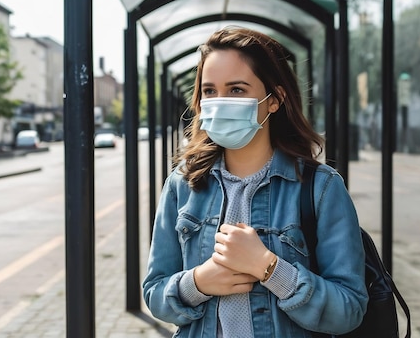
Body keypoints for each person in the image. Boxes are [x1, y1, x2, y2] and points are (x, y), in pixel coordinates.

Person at [142, 26, 368, 337]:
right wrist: (198, 283)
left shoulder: (321, 188)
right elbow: (154, 293)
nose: (220, 102)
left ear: (274, 100)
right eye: (209, 91)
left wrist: (270, 269)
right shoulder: (182, 185)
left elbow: (349, 310)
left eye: (236, 90)